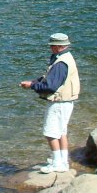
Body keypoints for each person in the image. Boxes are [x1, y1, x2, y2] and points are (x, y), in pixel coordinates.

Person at [19, 32, 80, 173]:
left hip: (59, 103)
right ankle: (62, 161)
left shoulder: (61, 63)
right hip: (66, 102)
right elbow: (49, 79)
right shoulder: (65, 57)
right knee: (61, 132)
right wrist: (35, 81)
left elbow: (51, 86)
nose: (50, 48)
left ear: (59, 46)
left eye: (52, 46)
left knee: (50, 132)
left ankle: (57, 163)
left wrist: (32, 86)